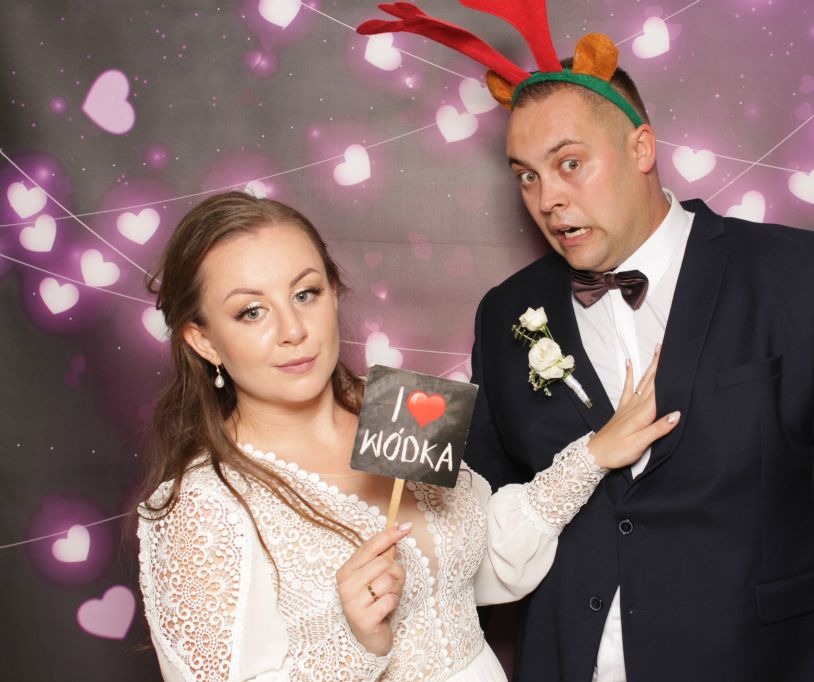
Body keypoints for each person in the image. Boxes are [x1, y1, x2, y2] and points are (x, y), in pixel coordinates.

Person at [459, 54, 814, 682]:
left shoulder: (799, 279)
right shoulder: (505, 314)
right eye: (527, 176)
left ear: (641, 148)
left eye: (569, 164)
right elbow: (469, 524)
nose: (548, 198)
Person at [134, 191, 679, 681]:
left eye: (305, 293)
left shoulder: (397, 409)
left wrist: (592, 455)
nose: (293, 330)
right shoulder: (200, 506)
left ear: (333, 293)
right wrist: (356, 644)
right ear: (204, 341)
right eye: (251, 312)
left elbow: (486, 556)